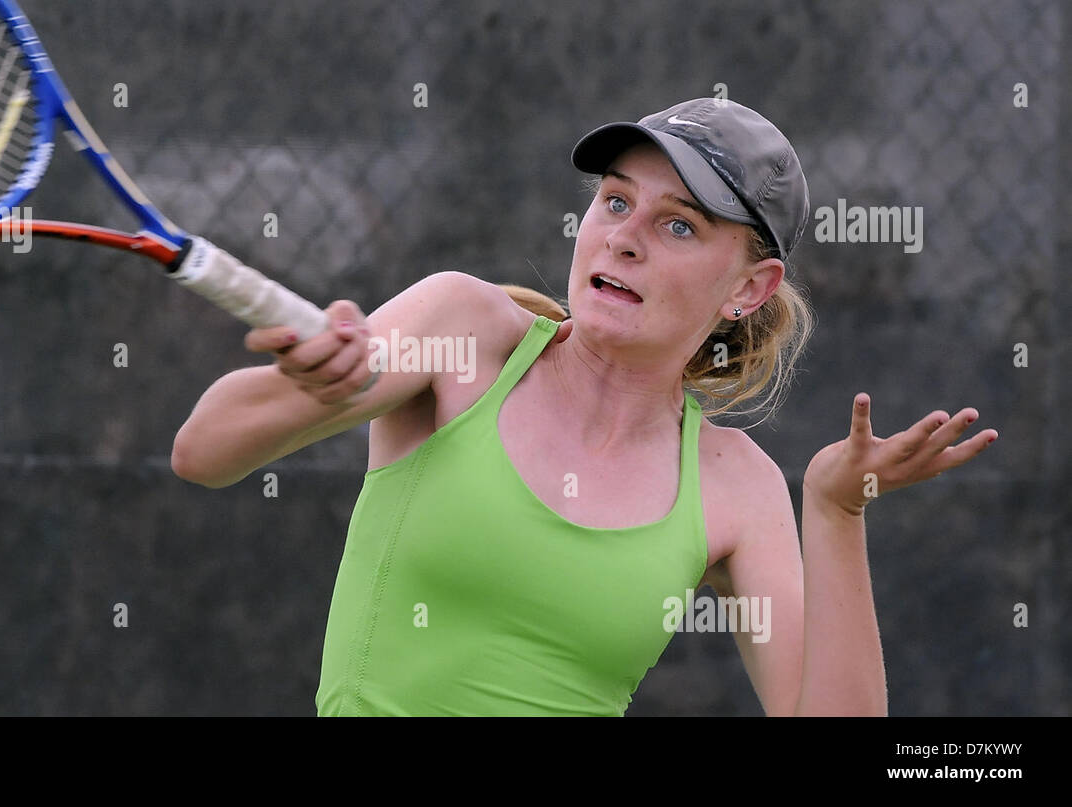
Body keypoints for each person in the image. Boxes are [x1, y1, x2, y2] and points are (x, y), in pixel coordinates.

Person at [170, 98, 998, 716]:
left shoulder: (735, 486)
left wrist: (836, 507)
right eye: (614, 200)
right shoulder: (464, 334)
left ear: (749, 288)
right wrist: (320, 388)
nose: (623, 237)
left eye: (679, 227)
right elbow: (204, 451)